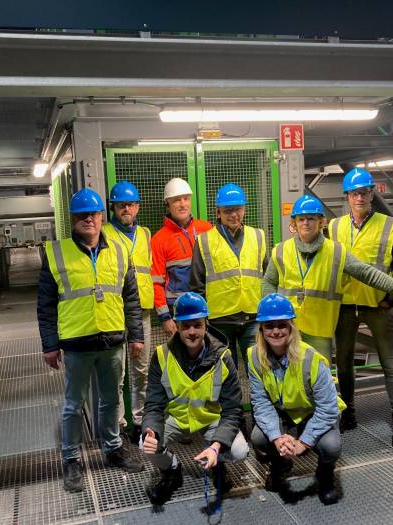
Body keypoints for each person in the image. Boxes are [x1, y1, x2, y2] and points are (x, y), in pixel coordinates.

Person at [37, 188, 144, 493]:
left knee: (110, 400)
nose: (88, 219)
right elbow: (45, 305)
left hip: (112, 340)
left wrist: (136, 335)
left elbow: (131, 299)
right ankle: (71, 458)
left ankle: (112, 449)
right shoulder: (56, 252)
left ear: (101, 216)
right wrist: (49, 344)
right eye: (82, 215)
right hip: (75, 343)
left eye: (93, 214)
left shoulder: (120, 252)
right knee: (73, 405)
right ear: (73, 219)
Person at [262, 194, 393, 365]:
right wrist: (274, 317)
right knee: (288, 377)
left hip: (320, 330)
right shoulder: (280, 251)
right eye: (301, 219)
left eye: (311, 218)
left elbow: (366, 273)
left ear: (321, 222)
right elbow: (268, 282)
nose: (306, 223)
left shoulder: (336, 252)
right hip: (289, 327)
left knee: (319, 380)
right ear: (294, 223)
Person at [329, 168, 393, 449]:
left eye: (365, 192)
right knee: (343, 362)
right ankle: (349, 411)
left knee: (390, 363)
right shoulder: (334, 227)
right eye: (355, 193)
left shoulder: (390, 225)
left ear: (372, 193)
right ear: (347, 197)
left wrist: (390, 300)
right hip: (344, 306)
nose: (360, 198)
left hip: (379, 306)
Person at [141, 292, 248, 505]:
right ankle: (172, 469)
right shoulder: (161, 356)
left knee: (239, 450)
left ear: (206, 325)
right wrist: (150, 430)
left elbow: (232, 410)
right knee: (145, 444)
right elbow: (153, 405)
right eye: (186, 326)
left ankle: (217, 462)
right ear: (177, 326)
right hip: (178, 418)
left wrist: (216, 446)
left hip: (211, 418)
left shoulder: (223, 357)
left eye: (197, 325)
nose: (192, 332)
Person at [249, 293, 343, 504]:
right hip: (284, 415)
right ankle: (280, 465)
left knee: (331, 446)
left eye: (282, 325)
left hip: (315, 414)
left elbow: (328, 409)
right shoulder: (254, 357)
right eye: (269, 326)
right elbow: (261, 402)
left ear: (291, 327)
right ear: (261, 330)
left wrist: (304, 442)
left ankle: (325, 474)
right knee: (259, 438)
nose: (276, 331)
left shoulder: (311, 359)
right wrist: (277, 437)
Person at [190, 183, 268, 369]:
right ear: (218, 212)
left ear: (244, 209)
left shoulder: (258, 236)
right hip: (220, 321)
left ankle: (258, 400)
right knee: (225, 375)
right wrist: (203, 319)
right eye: (228, 210)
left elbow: (268, 277)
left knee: (259, 371)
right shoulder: (204, 241)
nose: (234, 215)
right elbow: (196, 283)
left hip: (253, 317)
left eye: (238, 209)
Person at [103, 180, 154, 444]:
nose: (127, 209)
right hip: (114, 310)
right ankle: (119, 423)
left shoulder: (145, 233)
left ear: (137, 207)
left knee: (141, 369)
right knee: (117, 372)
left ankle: (139, 420)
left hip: (142, 309)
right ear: (113, 207)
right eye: (122, 204)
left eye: (131, 204)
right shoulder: (104, 233)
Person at [151, 178, 213, 338]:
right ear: (168, 203)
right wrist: (165, 318)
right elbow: (156, 283)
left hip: (208, 306)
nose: (183, 204)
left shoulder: (206, 229)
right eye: (177, 200)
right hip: (178, 310)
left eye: (186, 198)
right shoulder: (159, 240)